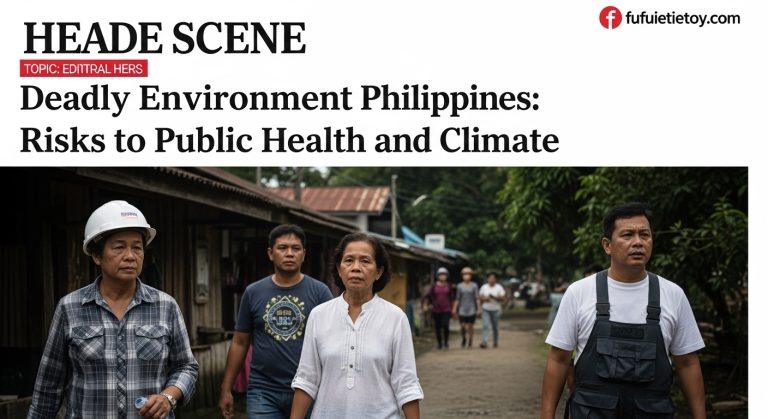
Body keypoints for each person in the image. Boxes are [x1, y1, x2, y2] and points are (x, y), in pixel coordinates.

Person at [28, 200, 199, 419]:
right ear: (97, 256)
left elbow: (186, 367)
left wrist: (168, 397)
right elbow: (48, 387)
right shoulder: (69, 308)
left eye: (137, 247)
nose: (130, 256)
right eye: (119, 247)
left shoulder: (166, 306)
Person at [540, 203, 706, 419]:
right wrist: (546, 414)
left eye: (644, 235)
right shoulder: (579, 292)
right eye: (627, 235)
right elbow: (559, 359)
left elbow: (688, 363)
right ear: (607, 245)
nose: (638, 242)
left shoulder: (673, 294)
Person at [290, 233, 423, 418]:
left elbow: (406, 384)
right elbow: (306, 379)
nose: (356, 268)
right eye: (349, 260)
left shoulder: (396, 318)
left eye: (365, 261)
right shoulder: (319, 315)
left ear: (379, 272)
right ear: (339, 268)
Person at [219, 225, 333, 419]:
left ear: (304, 254)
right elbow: (240, 341)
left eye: (296, 248)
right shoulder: (253, 292)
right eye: (283, 248)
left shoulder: (320, 292)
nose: (289, 253)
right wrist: (226, 388)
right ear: (271, 253)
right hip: (263, 390)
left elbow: (333, 341)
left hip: (309, 388)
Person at [424, 267, 454, 349]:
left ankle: (446, 342)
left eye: (444, 275)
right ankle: (440, 343)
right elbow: (428, 297)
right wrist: (426, 305)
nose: (442, 277)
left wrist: (453, 309)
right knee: (437, 327)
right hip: (436, 309)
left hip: (446, 309)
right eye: (441, 275)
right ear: (438, 276)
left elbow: (452, 298)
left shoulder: (449, 286)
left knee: (446, 326)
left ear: (447, 276)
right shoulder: (434, 286)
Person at [452, 267, 480, 348]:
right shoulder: (459, 286)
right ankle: (464, 337)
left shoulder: (474, 285)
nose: (466, 276)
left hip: (471, 309)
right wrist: (454, 308)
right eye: (464, 274)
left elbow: (477, 298)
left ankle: (470, 340)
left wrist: (478, 309)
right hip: (462, 309)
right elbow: (457, 298)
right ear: (462, 275)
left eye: (468, 274)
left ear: (471, 275)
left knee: (471, 326)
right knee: (462, 326)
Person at [478, 272, 506, 348]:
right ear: (487, 279)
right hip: (486, 309)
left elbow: (503, 298)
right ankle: (484, 342)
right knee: (486, 325)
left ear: (495, 279)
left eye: (493, 278)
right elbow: (480, 297)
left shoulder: (499, 287)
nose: (491, 280)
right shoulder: (484, 287)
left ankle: (495, 341)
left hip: (496, 310)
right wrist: (485, 299)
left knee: (495, 327)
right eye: (490, 278)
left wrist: (494, 297)